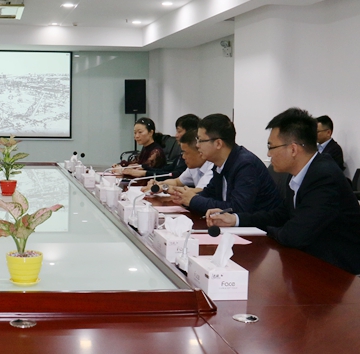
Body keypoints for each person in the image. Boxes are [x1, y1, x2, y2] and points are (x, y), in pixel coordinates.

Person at [208, 108, 360, 274]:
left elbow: (294, 235)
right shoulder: (296, 174)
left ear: (293, 149)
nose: (268, 154)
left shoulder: (324, 177)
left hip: (339, 271)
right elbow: (281, 215)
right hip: (309, 259)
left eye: (271, 147)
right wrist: (235, 219)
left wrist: (268, 231)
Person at [171, 113, 281, 215]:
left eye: (200, 140)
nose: (197, 145)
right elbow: (209, 194)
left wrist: (193, 200)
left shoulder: (245, 165)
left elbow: (237, 208)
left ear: (218, 143)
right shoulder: (220, 164)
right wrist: (184, 197)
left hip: (261, 227)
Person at [125, 114, 200, 179]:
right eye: (135, 133)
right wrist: (142, 168)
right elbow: (168, 171)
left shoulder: (156, 151)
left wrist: (144, 172)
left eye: (179, 131)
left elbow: (175, 175)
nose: (176, 135)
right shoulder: (181, 156)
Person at [143, 128, 213, 193]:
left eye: (185, 152)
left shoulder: (212, 167)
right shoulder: (194, 167)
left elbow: (199, 192)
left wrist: (164, 187)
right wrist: (159, 184)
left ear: (200, 152)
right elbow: (177, 182)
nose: (183, 156)